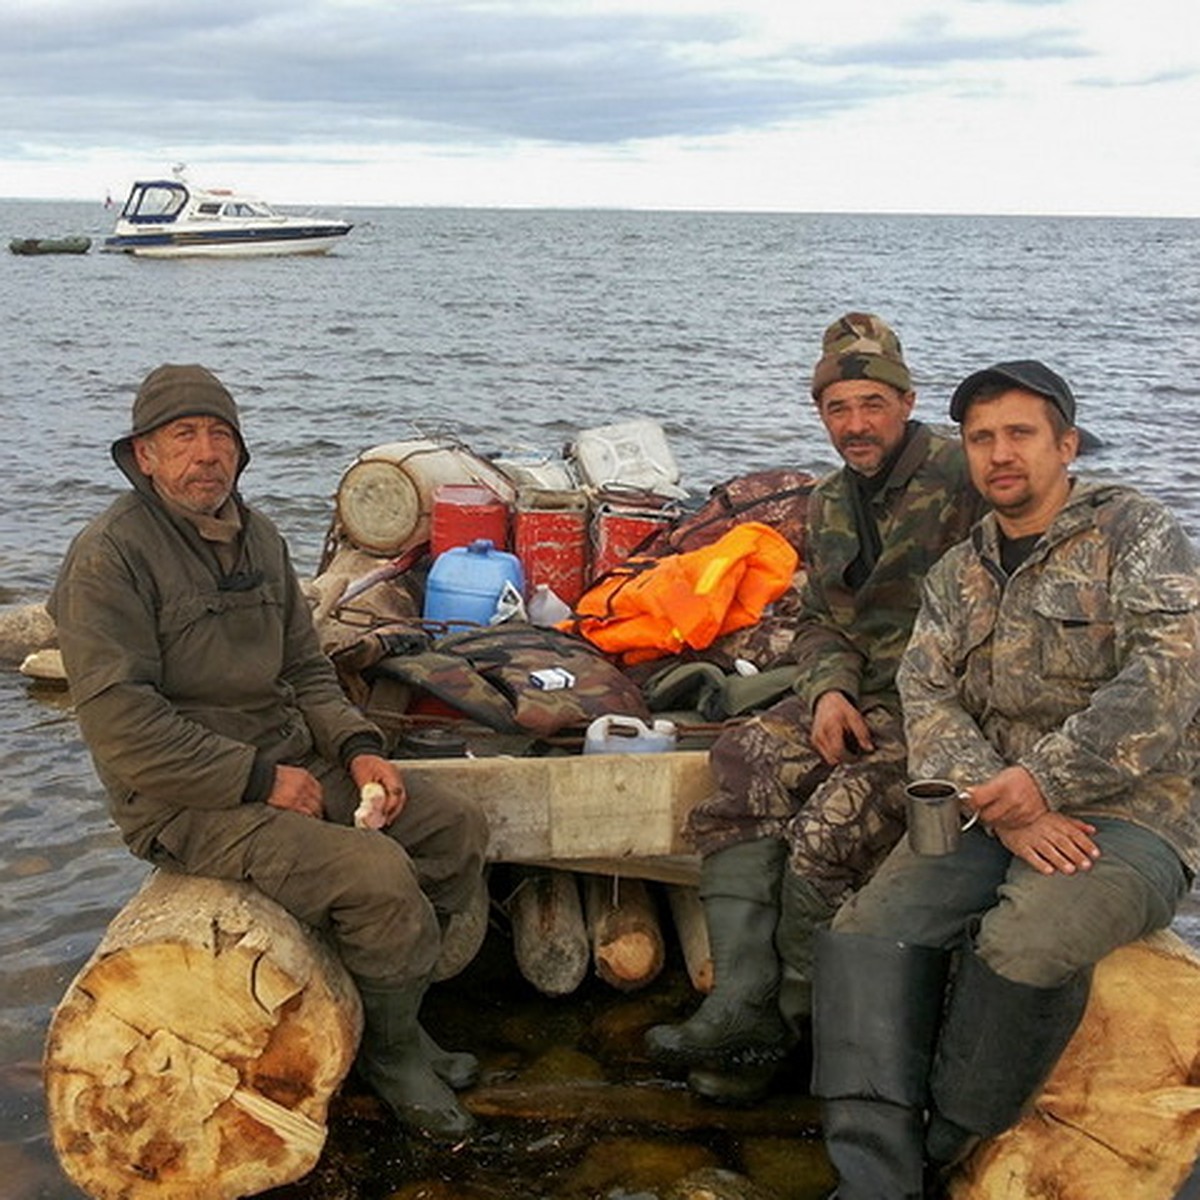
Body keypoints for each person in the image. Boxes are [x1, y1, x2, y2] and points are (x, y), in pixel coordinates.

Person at [48, 364, 489, 1142]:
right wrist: (256, 778)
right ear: (144, 456)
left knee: (452, 826)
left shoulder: (258, 535)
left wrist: (356, 750)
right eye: (182, 436)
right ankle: (391, 1059)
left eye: (221, 436)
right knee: (376, 875)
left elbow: (307, 670)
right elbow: (120, 724)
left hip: (286, 760)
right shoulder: (109, 557)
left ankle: (394, 1016)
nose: (206, 453)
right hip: (185, 799)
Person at [812, 360, 1200, 1198]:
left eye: (1019, 433)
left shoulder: (1135, 531)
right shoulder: (962, 570)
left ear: (1065, 443)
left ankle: (951, 1138)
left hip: (1132, 815)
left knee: (1025, 945)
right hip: (989, 805)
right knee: (869, 928)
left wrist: (1044, 781)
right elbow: (927, 692)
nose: (999, 454)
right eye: (981, 438)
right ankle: (873, 1177)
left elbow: (1170, 674)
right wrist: (1007, 800)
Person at [645, 313, 984, 1101]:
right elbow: (824, 621)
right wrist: (829, 689)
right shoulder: (831, 502)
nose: (856, 424)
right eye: (838, 408)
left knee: (834, 816)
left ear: (907, 401)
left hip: (946, 711)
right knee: (744, 758)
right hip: (862, 694)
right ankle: (740, 1004)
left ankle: (792, 1028)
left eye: (872, 403)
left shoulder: (964, 479)